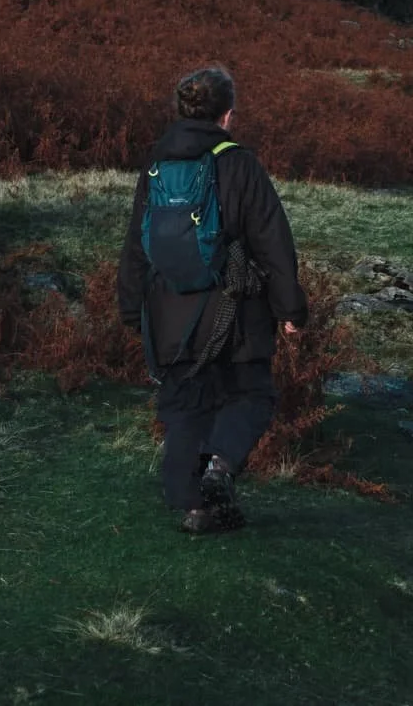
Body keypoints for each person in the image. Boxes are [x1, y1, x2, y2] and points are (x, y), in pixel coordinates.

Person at [118, 65, 307, 534]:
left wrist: (129, 305)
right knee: (251, 393)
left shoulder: (158, 163)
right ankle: (219, 468)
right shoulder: (238, 163)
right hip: (234, 310)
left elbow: (135, 243)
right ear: (227, 116)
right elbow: (273, 241)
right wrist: (290, 309)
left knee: (186, 402)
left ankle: (194, 507)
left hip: (169, 311)